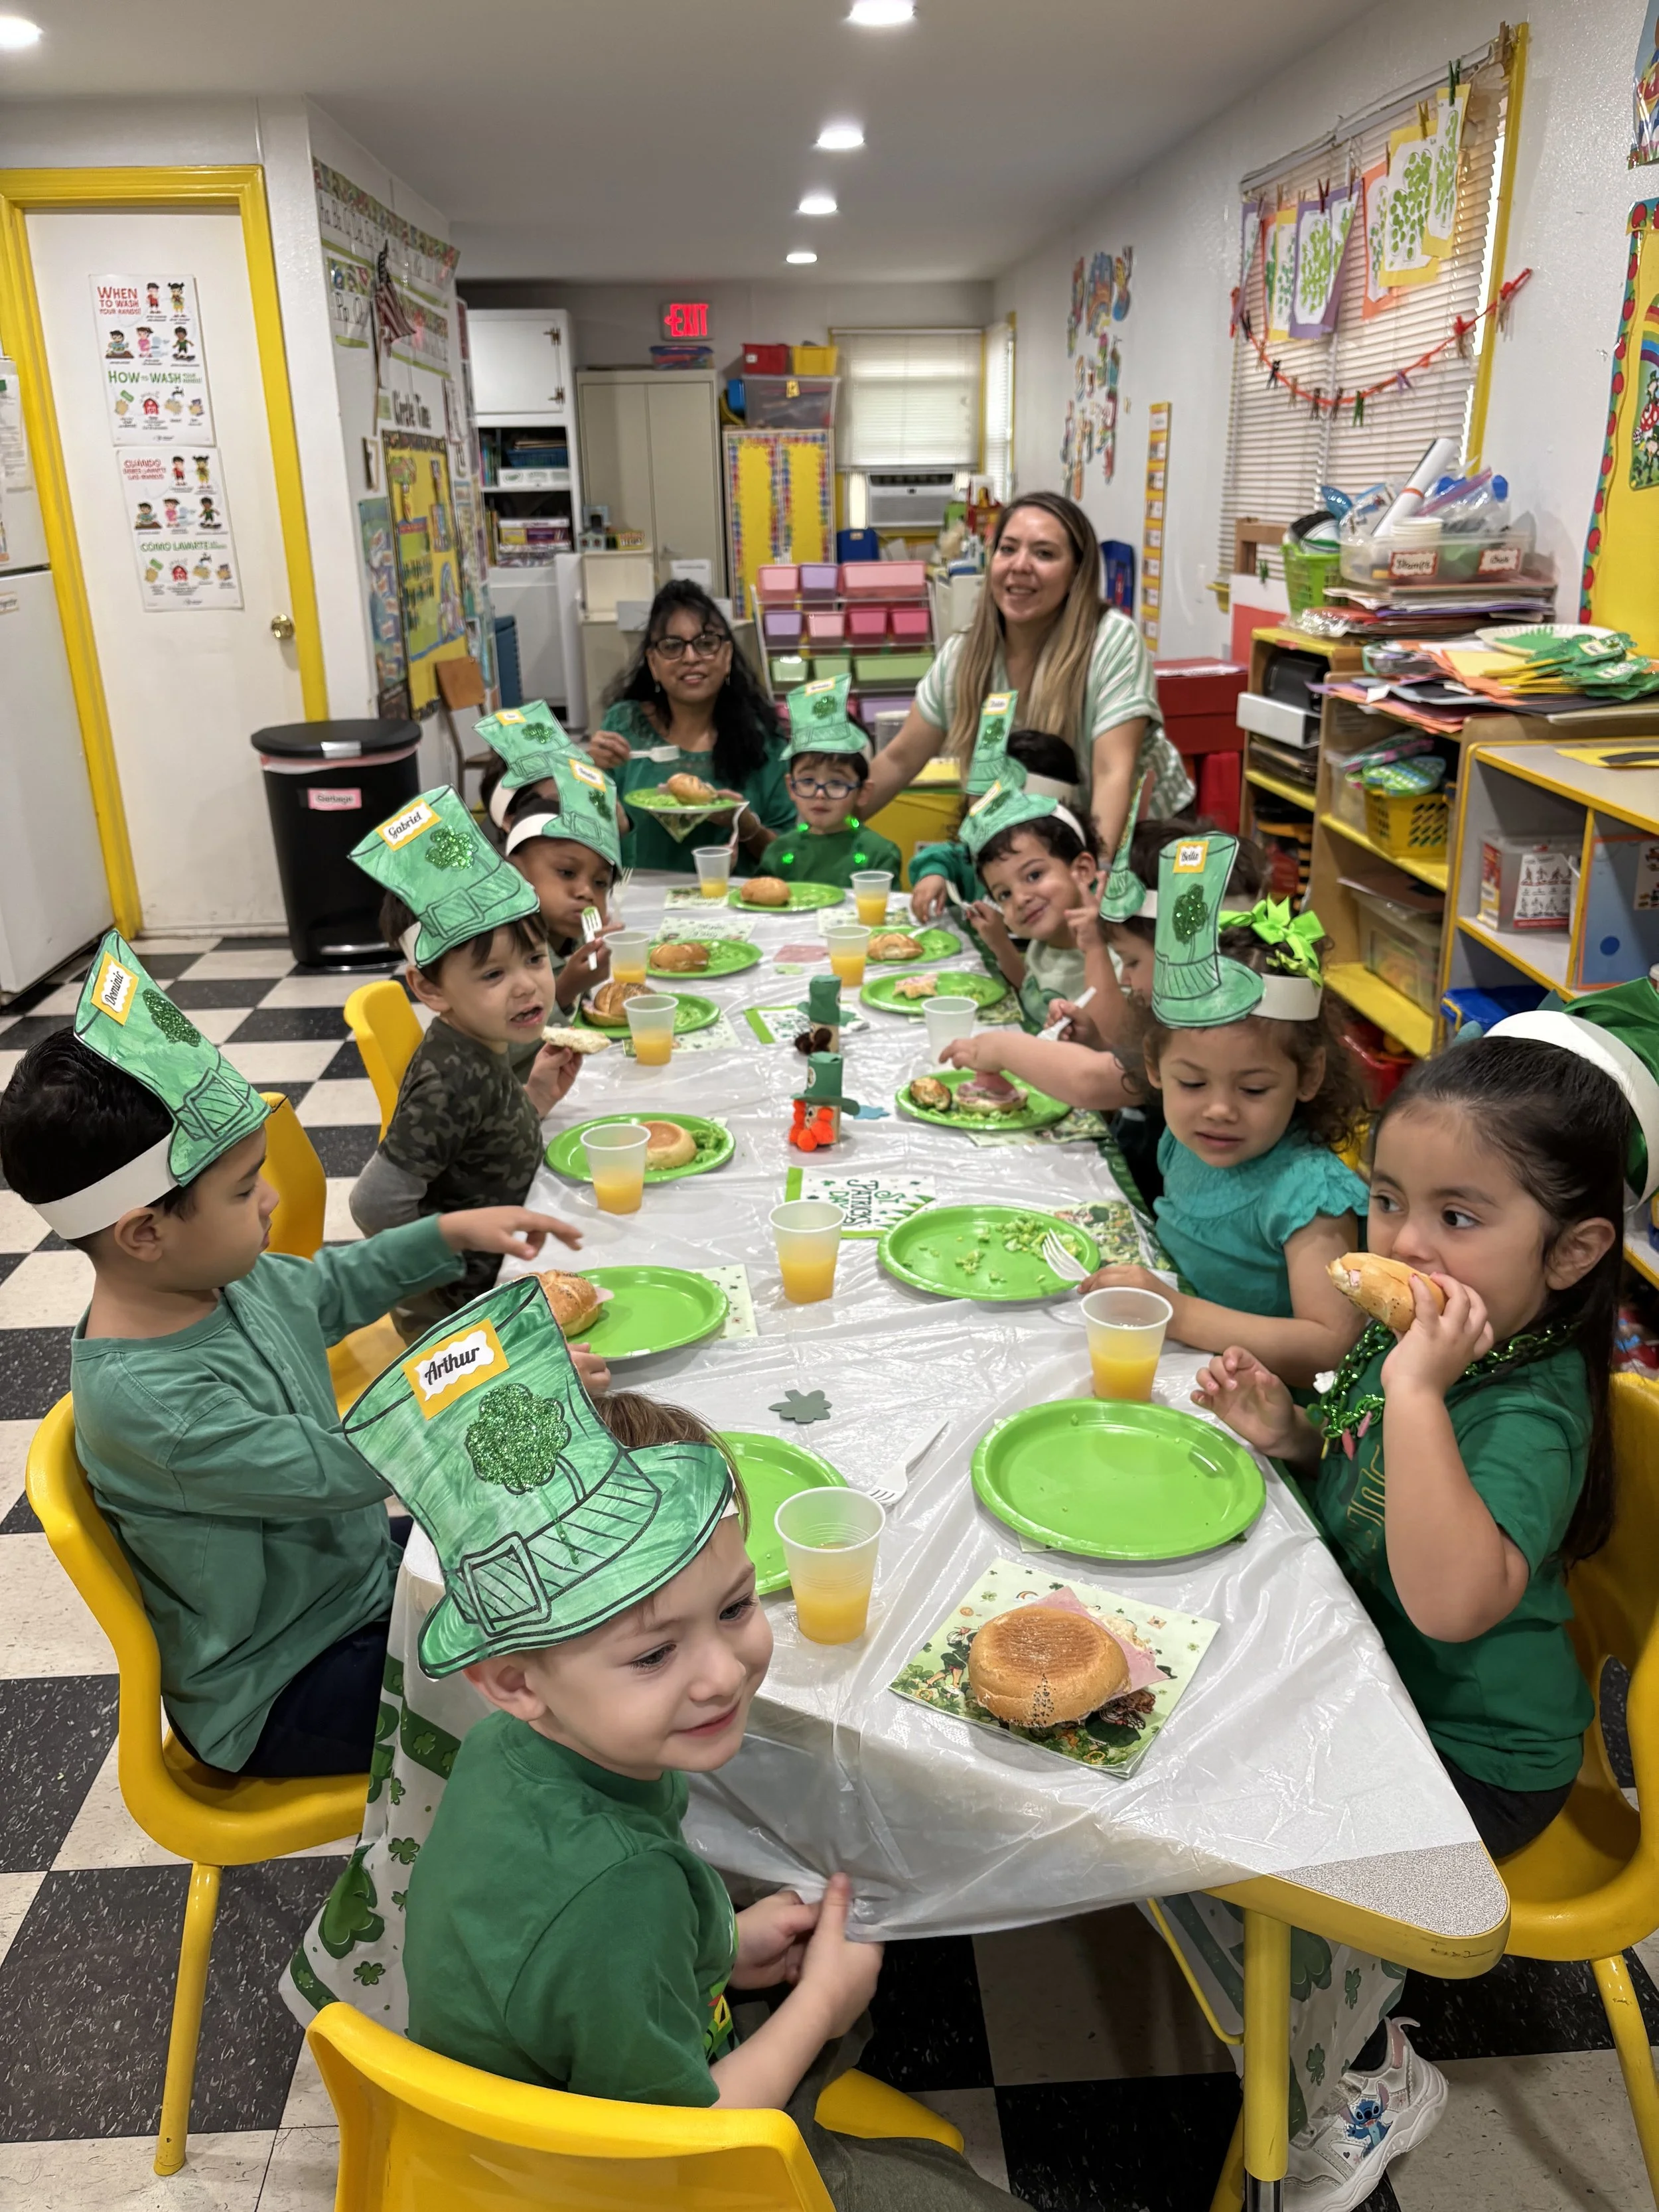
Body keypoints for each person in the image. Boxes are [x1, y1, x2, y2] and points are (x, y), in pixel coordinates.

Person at [377, 1280, 1021, 2210]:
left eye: (733, 1607)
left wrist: (717, 1941)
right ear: (515, 1679)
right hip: (603, 2181)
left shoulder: (509, 1750)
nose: (723, 1673)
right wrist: (819, 2007)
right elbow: (685, 2143)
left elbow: (580, 1964)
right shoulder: (619, 1894)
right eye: (652, 1652)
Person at [1187, 997, 1657, 2207]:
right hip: (1375, 1670)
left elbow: (1450, 1600)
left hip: (1479, 1750)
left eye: (1459, 1216)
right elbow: (1373, 1493)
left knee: (1234, 1815)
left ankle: (1371, 2070)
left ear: (1572, 1252)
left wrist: (1406, 1388)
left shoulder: (1522, 1404)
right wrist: (1294, 1434)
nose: (1405, 1239)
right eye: (1390, 1199)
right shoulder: (1449, 1346)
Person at [0, 935, 579, 1779]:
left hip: (352, 1576)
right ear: (145, 1233)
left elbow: (331, 1287)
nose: (272, 1200)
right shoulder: (155, 1407)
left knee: (550, 1550)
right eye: (243, 1190)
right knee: (559, 1691)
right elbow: (350, 1464)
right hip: (282, 1678)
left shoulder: (224, 1277)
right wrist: (510, 1389)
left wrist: (451, 1231)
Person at [1078, 831, 1368, 1388]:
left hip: (1264, 1415)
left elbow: (1332, 1344)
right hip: (1182, 1366)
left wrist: (1180, 1314)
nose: (1218, 1110)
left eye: (1254, 1089)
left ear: (1307, 1076)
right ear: (1157, 1068)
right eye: (1191, 1083)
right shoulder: (1183, 1142)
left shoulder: (1309, 1194)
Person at [346, 788, 591, 1345]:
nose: (528, 983)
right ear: (430, 988)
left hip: (503, 1268)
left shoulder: (480, 1042)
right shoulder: (450, 1078)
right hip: (467, 1315)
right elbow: (373, 1202)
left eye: (533, 959)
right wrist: (438, 1282)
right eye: (492, 975)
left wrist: (535, 1098)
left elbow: (478, 1156)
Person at [940, 800, 1267, 1205]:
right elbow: (1118, 1059)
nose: (1125, 978)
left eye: (1131, 961)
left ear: (1183, 953)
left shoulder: (1208, 1034)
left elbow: (1093, 1081)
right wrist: (1096, 1040)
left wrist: (997, 1048)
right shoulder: (1183, 1018)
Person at [864, 491, 1191, 891]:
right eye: (1008, 549)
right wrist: (831, 822)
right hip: (1040, 854)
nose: (1021, 566)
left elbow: (1112, 772)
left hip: (1136, 842)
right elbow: (899, 759)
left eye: (1044, 554)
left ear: (1076, 573)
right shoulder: (964, 655)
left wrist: (1099, 875)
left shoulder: (1110, 641)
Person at [589, 579, 795, 873]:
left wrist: (748, 827)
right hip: (640, 904)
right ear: (653, 663)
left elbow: (790, 859)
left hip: (737, 907)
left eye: (706, 644)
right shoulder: (625, 725)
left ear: (727, 657)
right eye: (672, 646)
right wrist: (588, 772)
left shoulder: (765, 740)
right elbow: (586, 832)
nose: (690, 658)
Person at [952, 769, 1098, 1031]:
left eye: (1033, 875)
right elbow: (1031, 996)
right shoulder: (1042, 946)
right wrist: (1000, 943)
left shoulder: (1111, 958)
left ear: (1082, 871)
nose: (1020, 899)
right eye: (1004, 894)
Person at [908, 720, 1082, 921]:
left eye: (1035, 875)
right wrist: (934, 873)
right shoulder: (976, 860)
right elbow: (945, 855)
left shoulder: (1082, 886)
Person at [498, 751, 624, 1015]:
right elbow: (505, 1049)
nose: (586, 892)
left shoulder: (572, 938)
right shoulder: (497, 950)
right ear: (515, 872)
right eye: (567, 873)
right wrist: (566, 989)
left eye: (601, 883)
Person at [755, 677, 903, 891]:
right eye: (807, 781)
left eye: (836, 783)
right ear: (791, 788)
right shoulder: (779, 852)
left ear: (862, 792)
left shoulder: (878, 854)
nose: (820, 794)